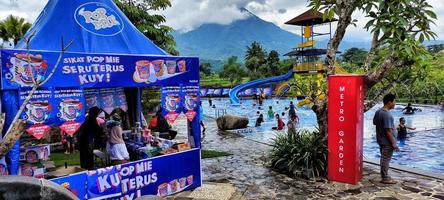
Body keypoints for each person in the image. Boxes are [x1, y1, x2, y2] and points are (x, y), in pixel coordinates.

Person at [373, 94, 399, 184]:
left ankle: (385, 175)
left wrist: (393, 127)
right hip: (387, 142)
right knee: (385, 160)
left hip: (381, 140)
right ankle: (385, 178)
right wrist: (394, 143)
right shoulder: (387, 114)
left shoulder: (378, 111)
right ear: (389, 102)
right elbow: (388, 131)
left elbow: (375, 123)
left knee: (384, 158)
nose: (395, 103)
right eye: (394, 101)